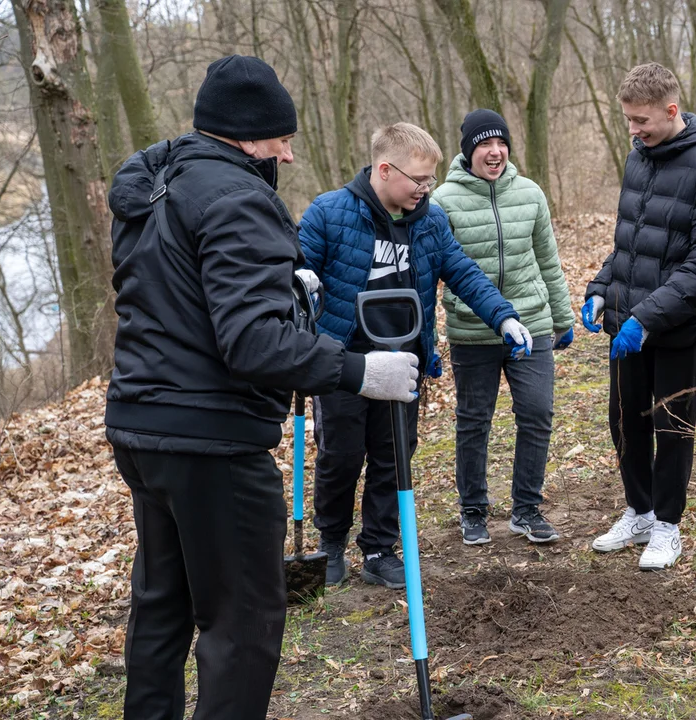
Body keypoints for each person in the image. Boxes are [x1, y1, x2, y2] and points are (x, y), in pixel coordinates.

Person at [105, 56, 419, 720]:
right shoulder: (239, 199)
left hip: (140, 425)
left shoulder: (154, 188)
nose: (289, 154)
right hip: (211, 442)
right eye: (280, 140)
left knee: (162, 604)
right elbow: (251, 343)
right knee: (242, 624)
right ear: (247, 137)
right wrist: (361, 370)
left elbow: (175, 306)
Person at [299, 122, 529, 589]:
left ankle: (380, 548)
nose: (427, 189)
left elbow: (462, 271)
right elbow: (296, 265)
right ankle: (331, 544)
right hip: (345, 365)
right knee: (340, 456)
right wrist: (298, 279)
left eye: (430, 181)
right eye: (419, 180)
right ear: (385, 170)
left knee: (394, 457)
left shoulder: (430, 219)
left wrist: (503, 316)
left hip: (402, 362)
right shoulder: (329, 213)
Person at [583, 62, 696, 571]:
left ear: (672, 111)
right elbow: (629, 243)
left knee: (671, 426)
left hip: (674, 329)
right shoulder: (638, 157)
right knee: (624, 421)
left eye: (642, 120)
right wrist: (603, 289)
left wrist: (646, 318)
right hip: (625, 326)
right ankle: (639, 511)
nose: (633, 129)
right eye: (627, 119)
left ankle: (668, 526)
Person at [430, 110, 574, 545]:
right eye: (484, 145)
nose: (494, 152)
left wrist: (563, 317)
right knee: (474, 421)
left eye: (500, 144)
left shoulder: (530, 194)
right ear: (468, 151)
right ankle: (473, 510)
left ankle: (527, 509)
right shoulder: (441, 201)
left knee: (537, 414)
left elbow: (548, 260)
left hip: (531, 323)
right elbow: (434, 270)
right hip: (472, 330)